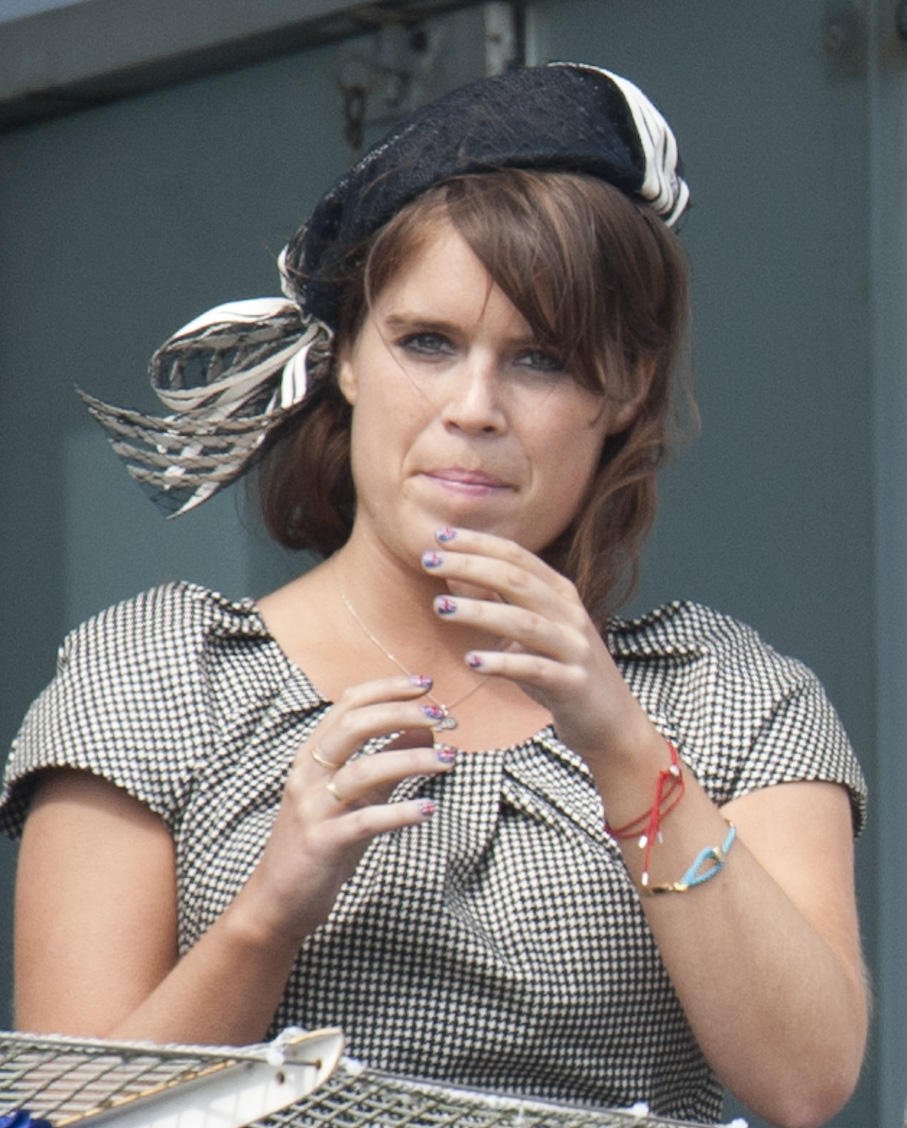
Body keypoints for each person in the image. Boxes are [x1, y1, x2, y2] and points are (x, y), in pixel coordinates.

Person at [0, 62, 867, 1127]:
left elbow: (806, 1085)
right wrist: (268, 917)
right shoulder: (153, 676)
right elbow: (64, 1117)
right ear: (347, 357)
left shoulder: (731, 697)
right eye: (426, 342)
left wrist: (624, 746)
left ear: (625, 389)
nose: (473, 407)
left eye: (541, 360)